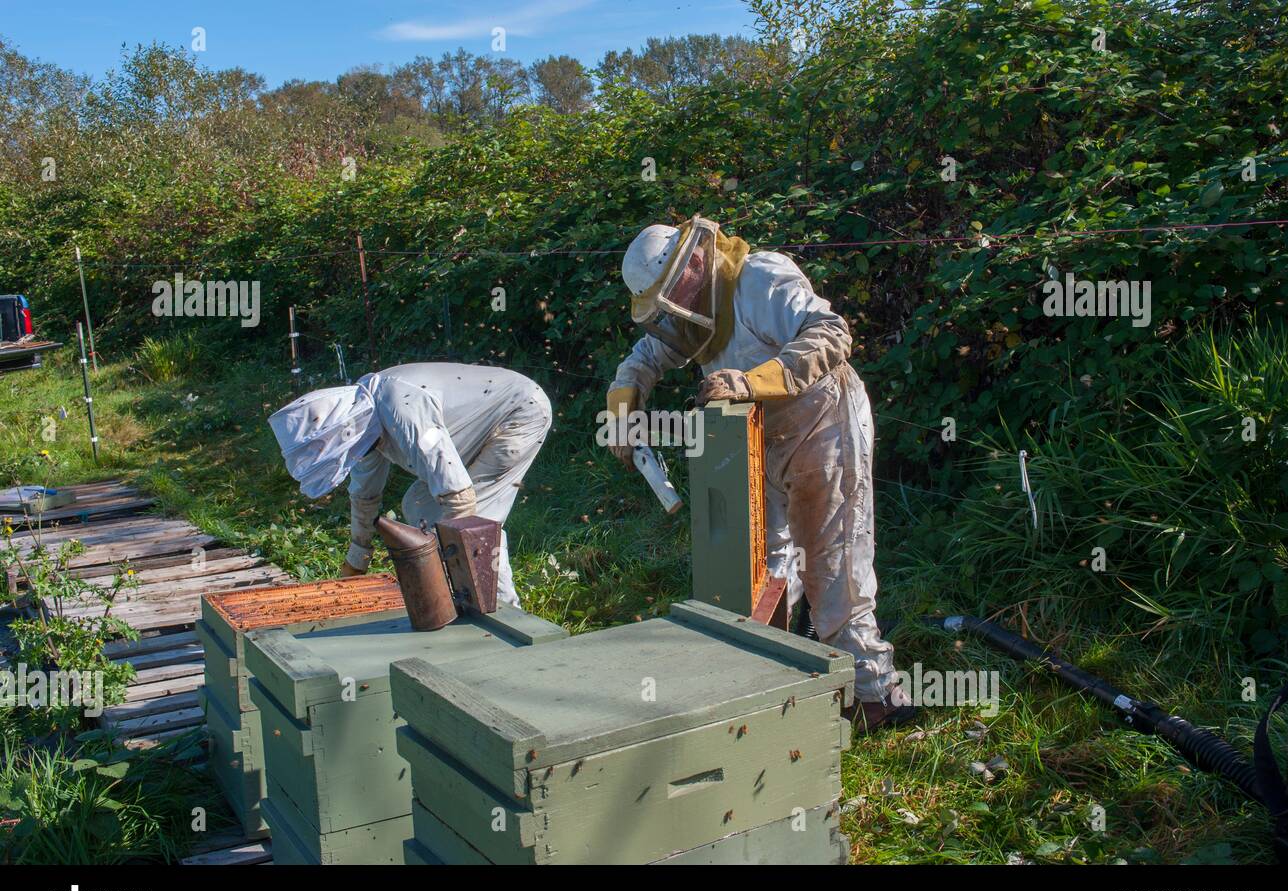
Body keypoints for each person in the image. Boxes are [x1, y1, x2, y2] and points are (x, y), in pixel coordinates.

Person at [607, 215, 913, 730]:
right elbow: (645, 357)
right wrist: (623, 407)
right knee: (760, 564)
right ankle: (779, 683)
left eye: (670, 293)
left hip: (824, 421)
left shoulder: (762, 279)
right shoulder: (688, 311)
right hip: (756, 439)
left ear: (696, 261)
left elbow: (831, 333)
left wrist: (751, 381)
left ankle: (873, 696)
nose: (669, 310)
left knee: (832, 562)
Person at [269, 362, 551, 607]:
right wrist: (358, 558)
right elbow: (365, 496)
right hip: (481, 421)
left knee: (478, 520)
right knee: (418, 505)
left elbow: (459, 496)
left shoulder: (400, 407)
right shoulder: (362, 425)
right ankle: (474, 597)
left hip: (518, 413)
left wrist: (452, 560)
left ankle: (503, 610)